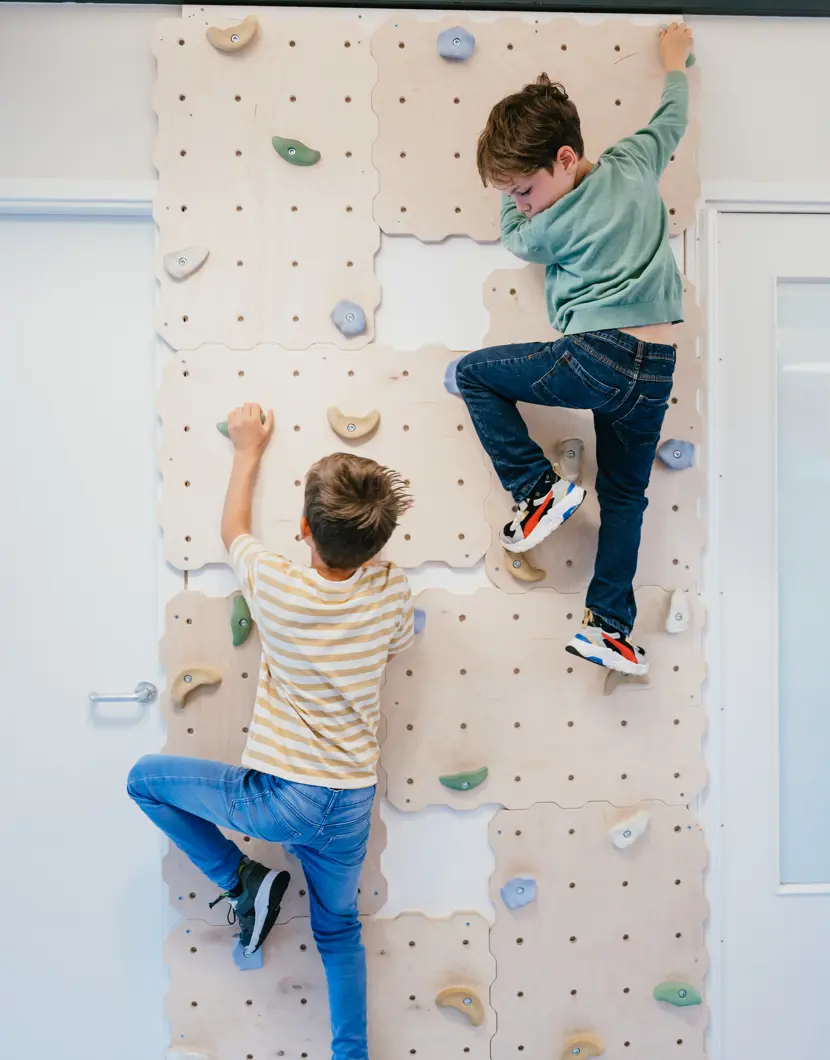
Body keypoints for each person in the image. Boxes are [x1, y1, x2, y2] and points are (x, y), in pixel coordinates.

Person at [128, 403, 415, 1060]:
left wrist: (248, 448)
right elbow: (396, 646)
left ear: (305, 531)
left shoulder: (278, 586)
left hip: (283, 798)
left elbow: (232, 528)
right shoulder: (392, 592)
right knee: (339, 932)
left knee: (144, 782)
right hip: (348, 803)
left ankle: (243, 881)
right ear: (380, 545)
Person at [454, 23, 693, 676]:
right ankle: (608, 626)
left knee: (473, 374)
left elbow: (516, 236)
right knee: (624, 497)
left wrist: (516, 208)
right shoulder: (635, 160)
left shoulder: (544, 226)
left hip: (600, 357)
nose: (522, 207)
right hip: (655, 371)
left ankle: (537, 491)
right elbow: (671, 118)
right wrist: (675, 63)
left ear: (564, 158)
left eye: (523, 190)